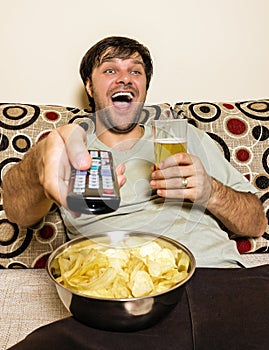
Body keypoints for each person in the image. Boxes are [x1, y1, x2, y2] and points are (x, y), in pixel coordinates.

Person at [2, 36, 269, 350]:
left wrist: (212, 191)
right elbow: (18, 212)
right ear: (89, 85)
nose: (125, 77)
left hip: (222, 283)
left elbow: (256, 224)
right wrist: (38, 161)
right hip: (119, 304)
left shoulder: (185, 135)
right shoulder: (66, 147)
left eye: (135, 71)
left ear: (143, 87)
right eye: (110, 70)